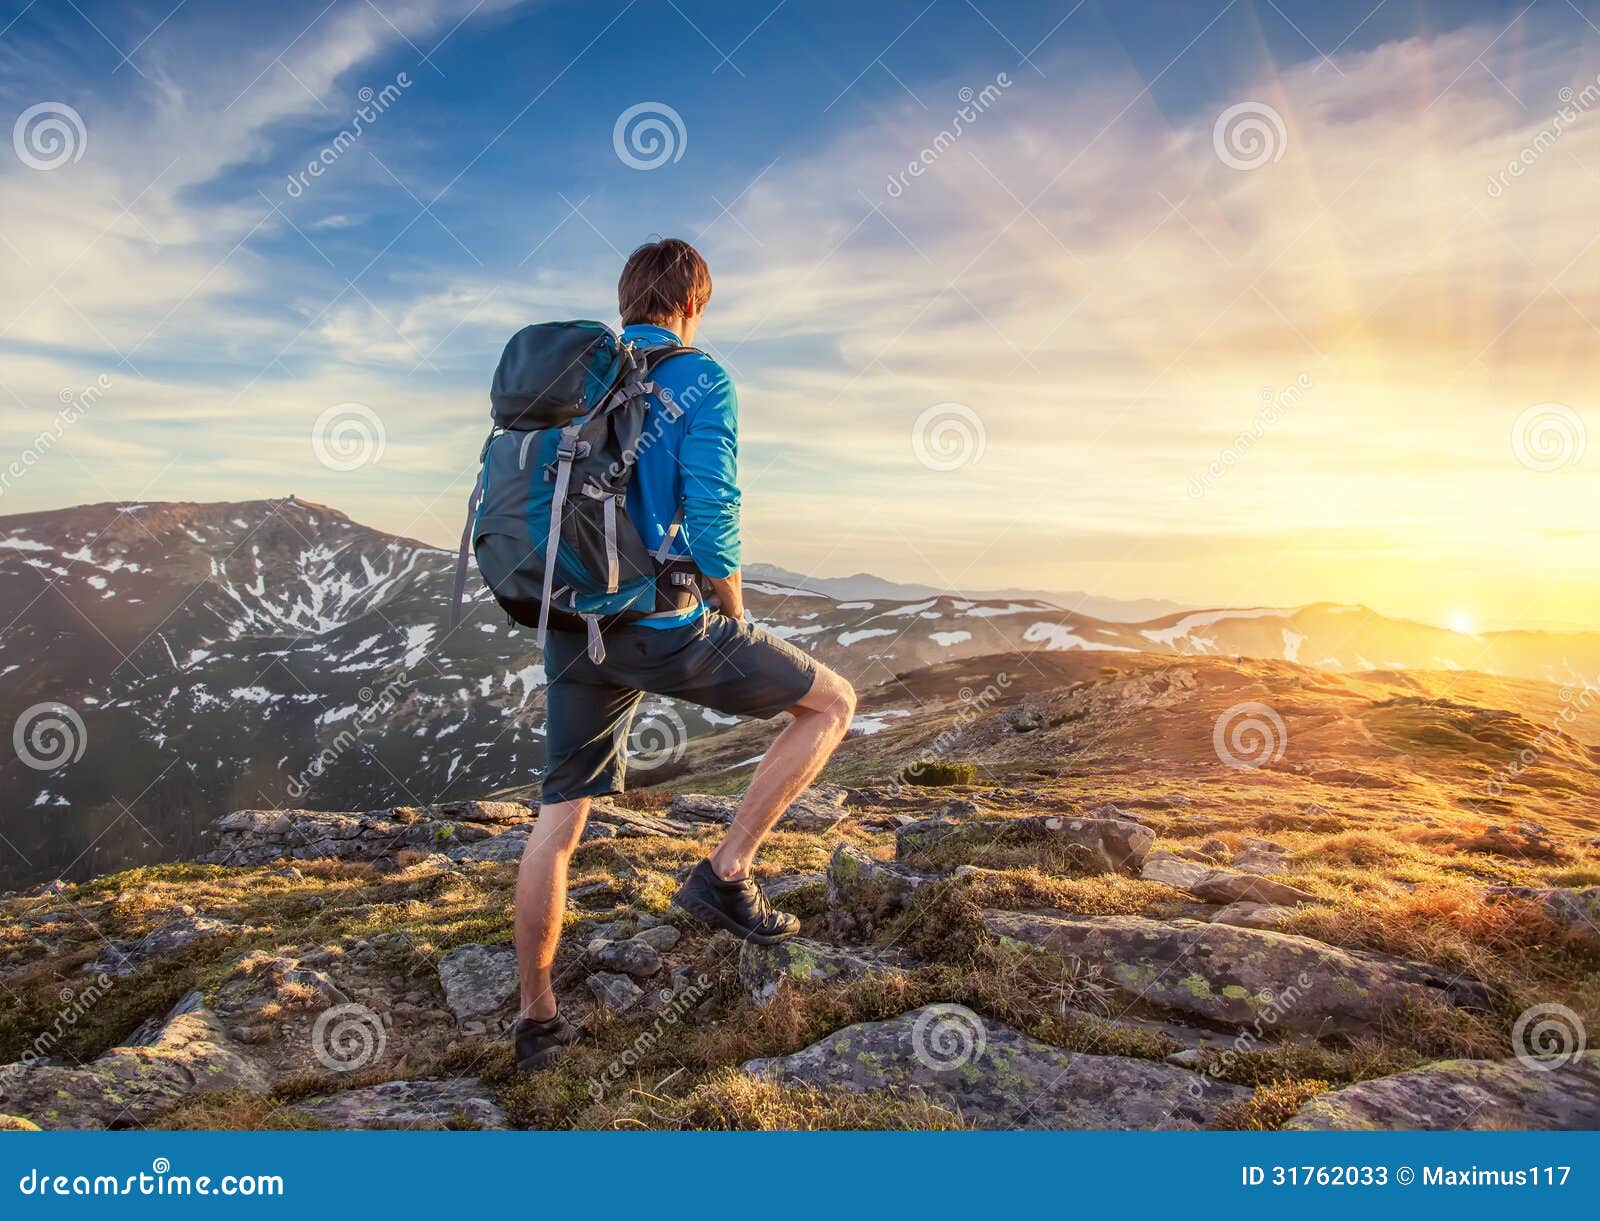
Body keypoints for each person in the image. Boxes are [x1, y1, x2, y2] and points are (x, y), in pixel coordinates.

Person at [510, 238, 857, 1070]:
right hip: (659, 627)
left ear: (627, 299)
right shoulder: (701, 379)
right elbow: (713, 518)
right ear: (694, 304)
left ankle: (536, 1021)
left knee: (557, 821)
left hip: (568, 622)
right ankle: (725, 874)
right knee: (832, 702)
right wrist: (730, 615)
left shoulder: (577, 384)